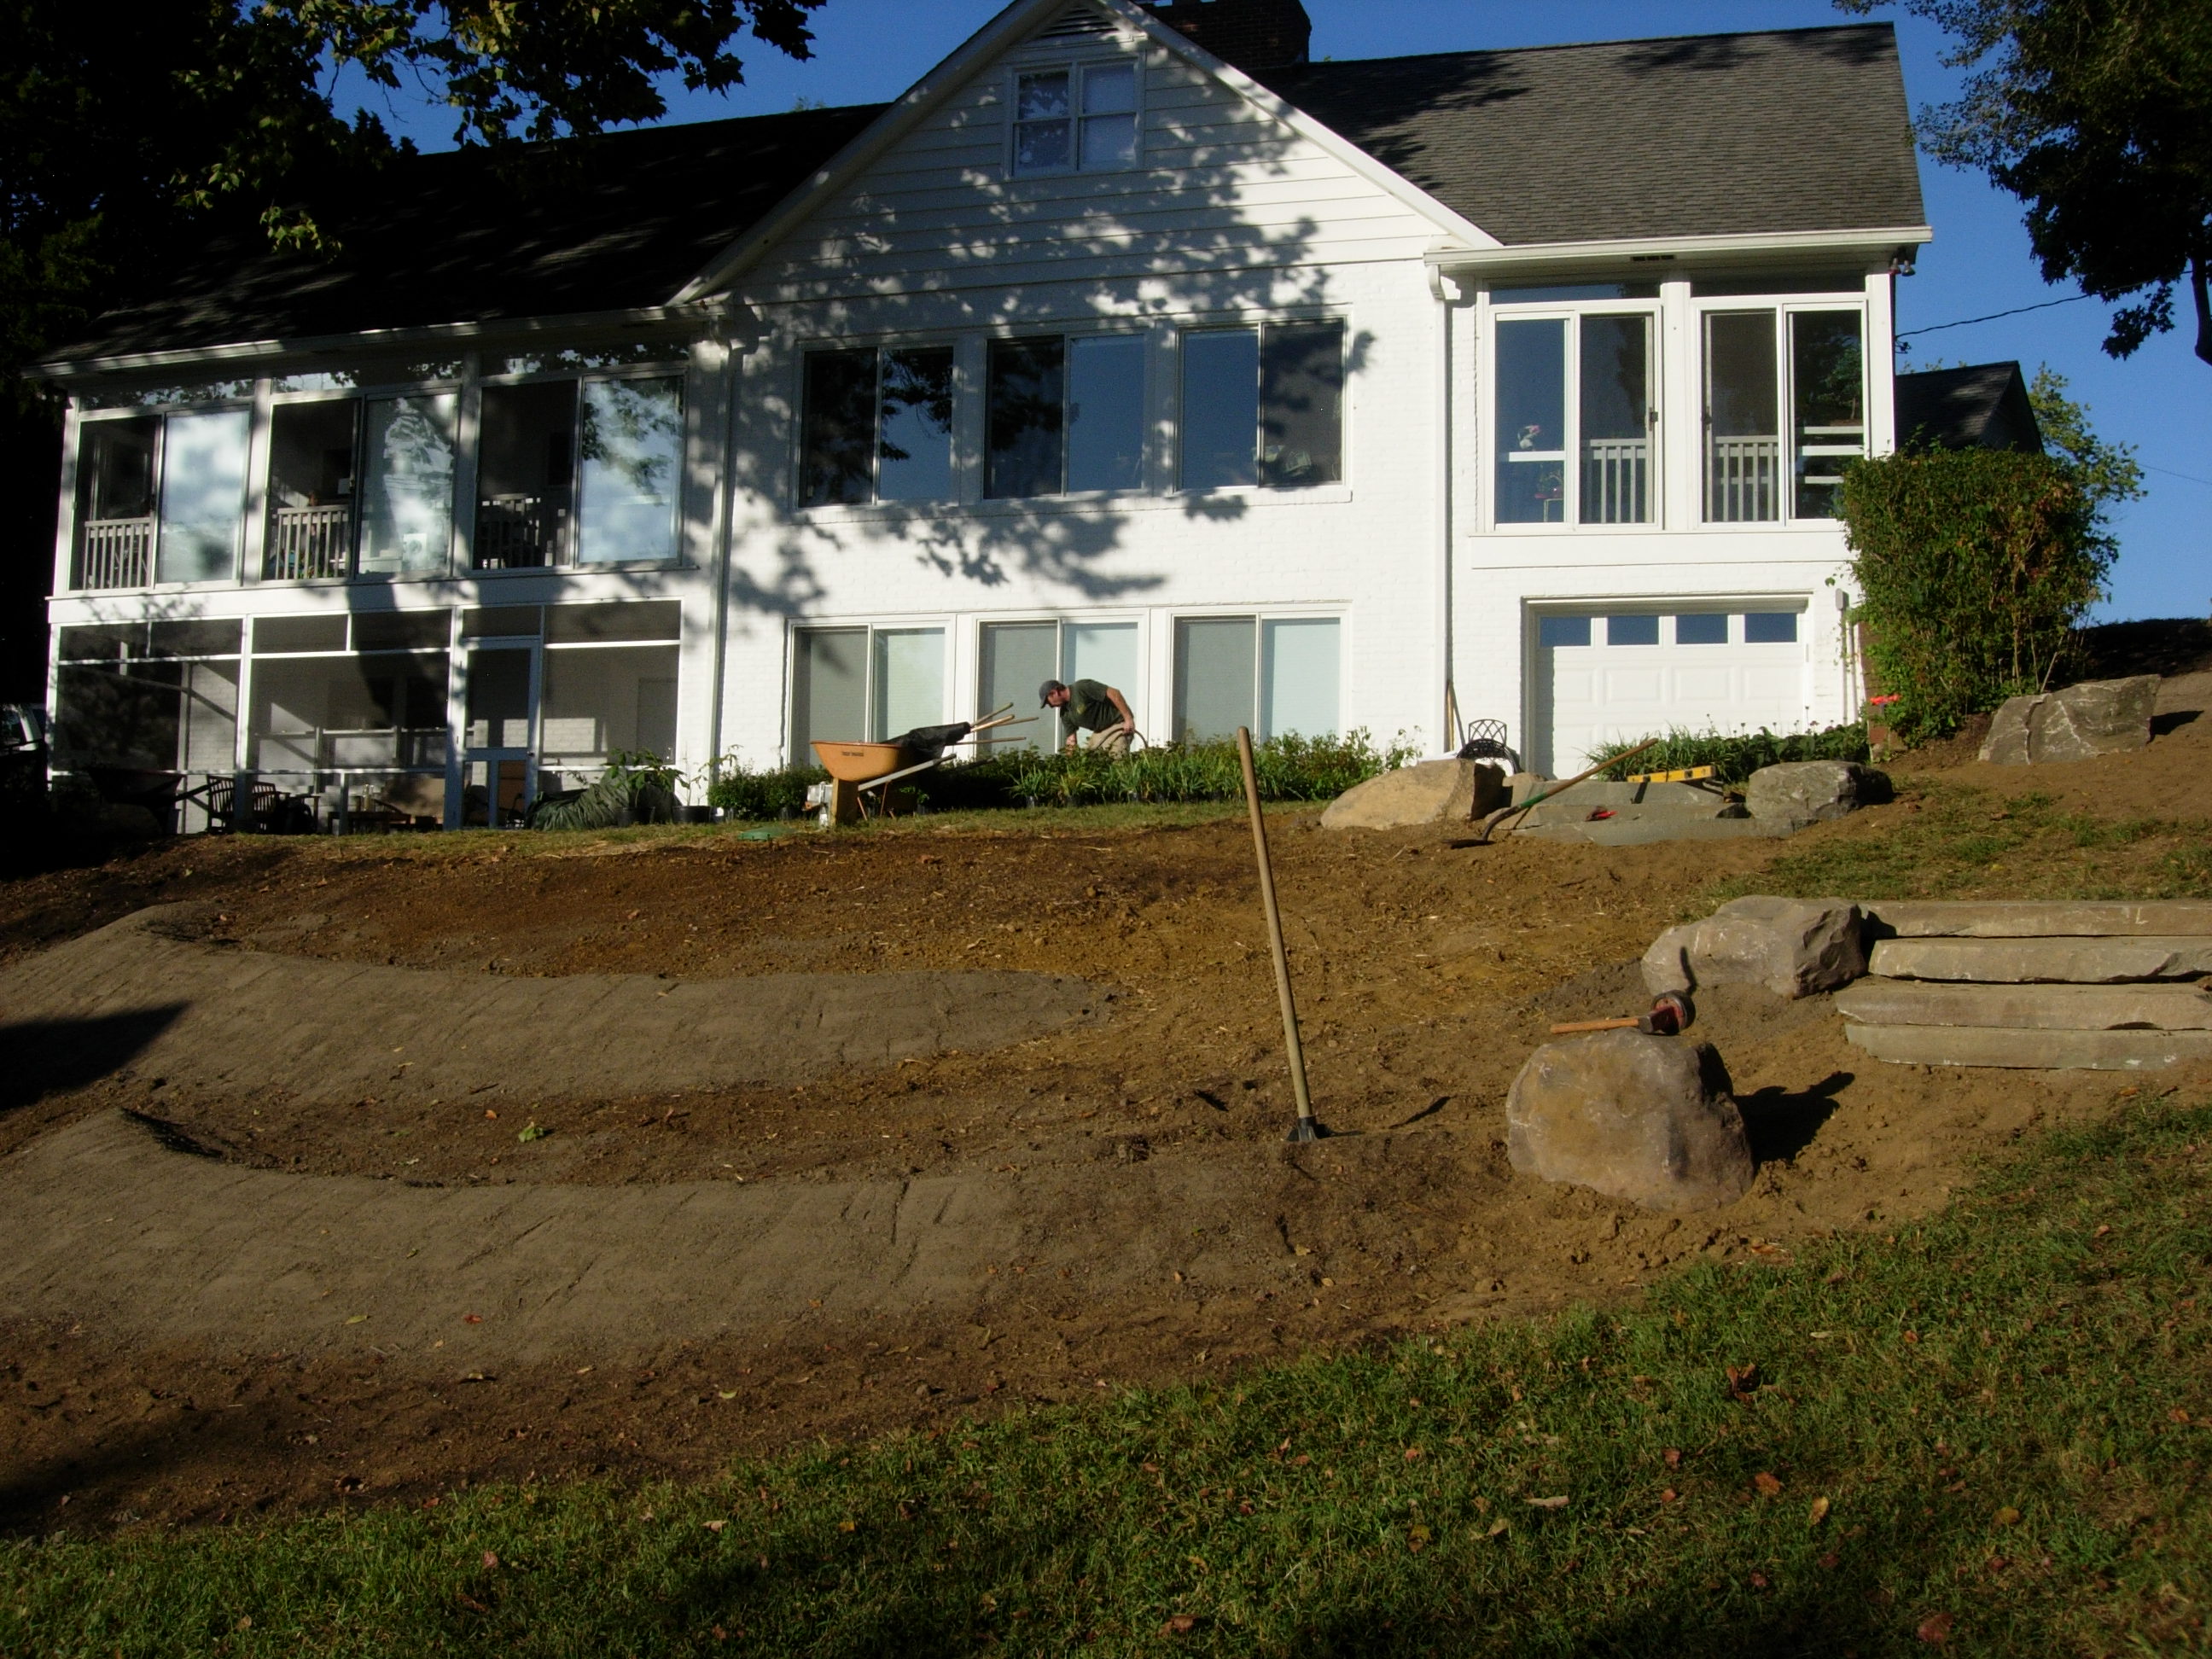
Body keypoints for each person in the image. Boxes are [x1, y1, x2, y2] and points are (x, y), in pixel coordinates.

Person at [1040, 677, 1134, 757]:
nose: (1050, 706)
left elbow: (1115, 693)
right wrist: (1069, 761)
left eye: (1048, 702)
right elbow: (1071, 740)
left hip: (1118, 723)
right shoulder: (1065, 713)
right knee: (1091, 761)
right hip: (1099, 732)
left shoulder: (1081, 688)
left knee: (1117, 759)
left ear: (1055, 692)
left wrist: (1128, 719)